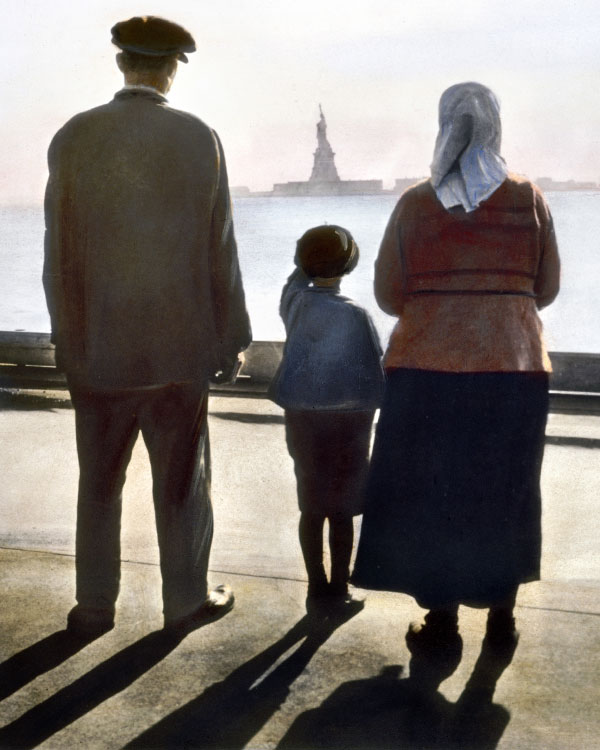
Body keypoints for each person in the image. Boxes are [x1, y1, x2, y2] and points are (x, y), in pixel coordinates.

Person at [43, 16, 251, 636]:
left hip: (97, 349)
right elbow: (222, 247)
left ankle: (93, 605)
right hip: (178, 351)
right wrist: (232, 336)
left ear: (120, 64)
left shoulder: (74, 135)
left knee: (99, 481)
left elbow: (58, 254)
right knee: (182, 482)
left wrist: (66, 338)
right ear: (171, 70)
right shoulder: (197, 136)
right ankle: (185, 600)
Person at [352, 82, 560, 651]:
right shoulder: (530, 200)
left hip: (425, 370)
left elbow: (390, 294)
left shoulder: (417, 202)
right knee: (505, 489)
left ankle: (441, 621)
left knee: (433, 493)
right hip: (513, 369)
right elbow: (547, 288)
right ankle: (502, 619)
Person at [270, 225, 385, 615]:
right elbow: (375, 371)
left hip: (302, 416)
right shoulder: (357, 314)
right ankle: (339, 587)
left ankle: (315, 586)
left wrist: (305, 257)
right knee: (342, 507)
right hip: (350, 421)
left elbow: (295, 278)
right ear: (351, 265)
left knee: (311, 503)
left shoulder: (296, 303)